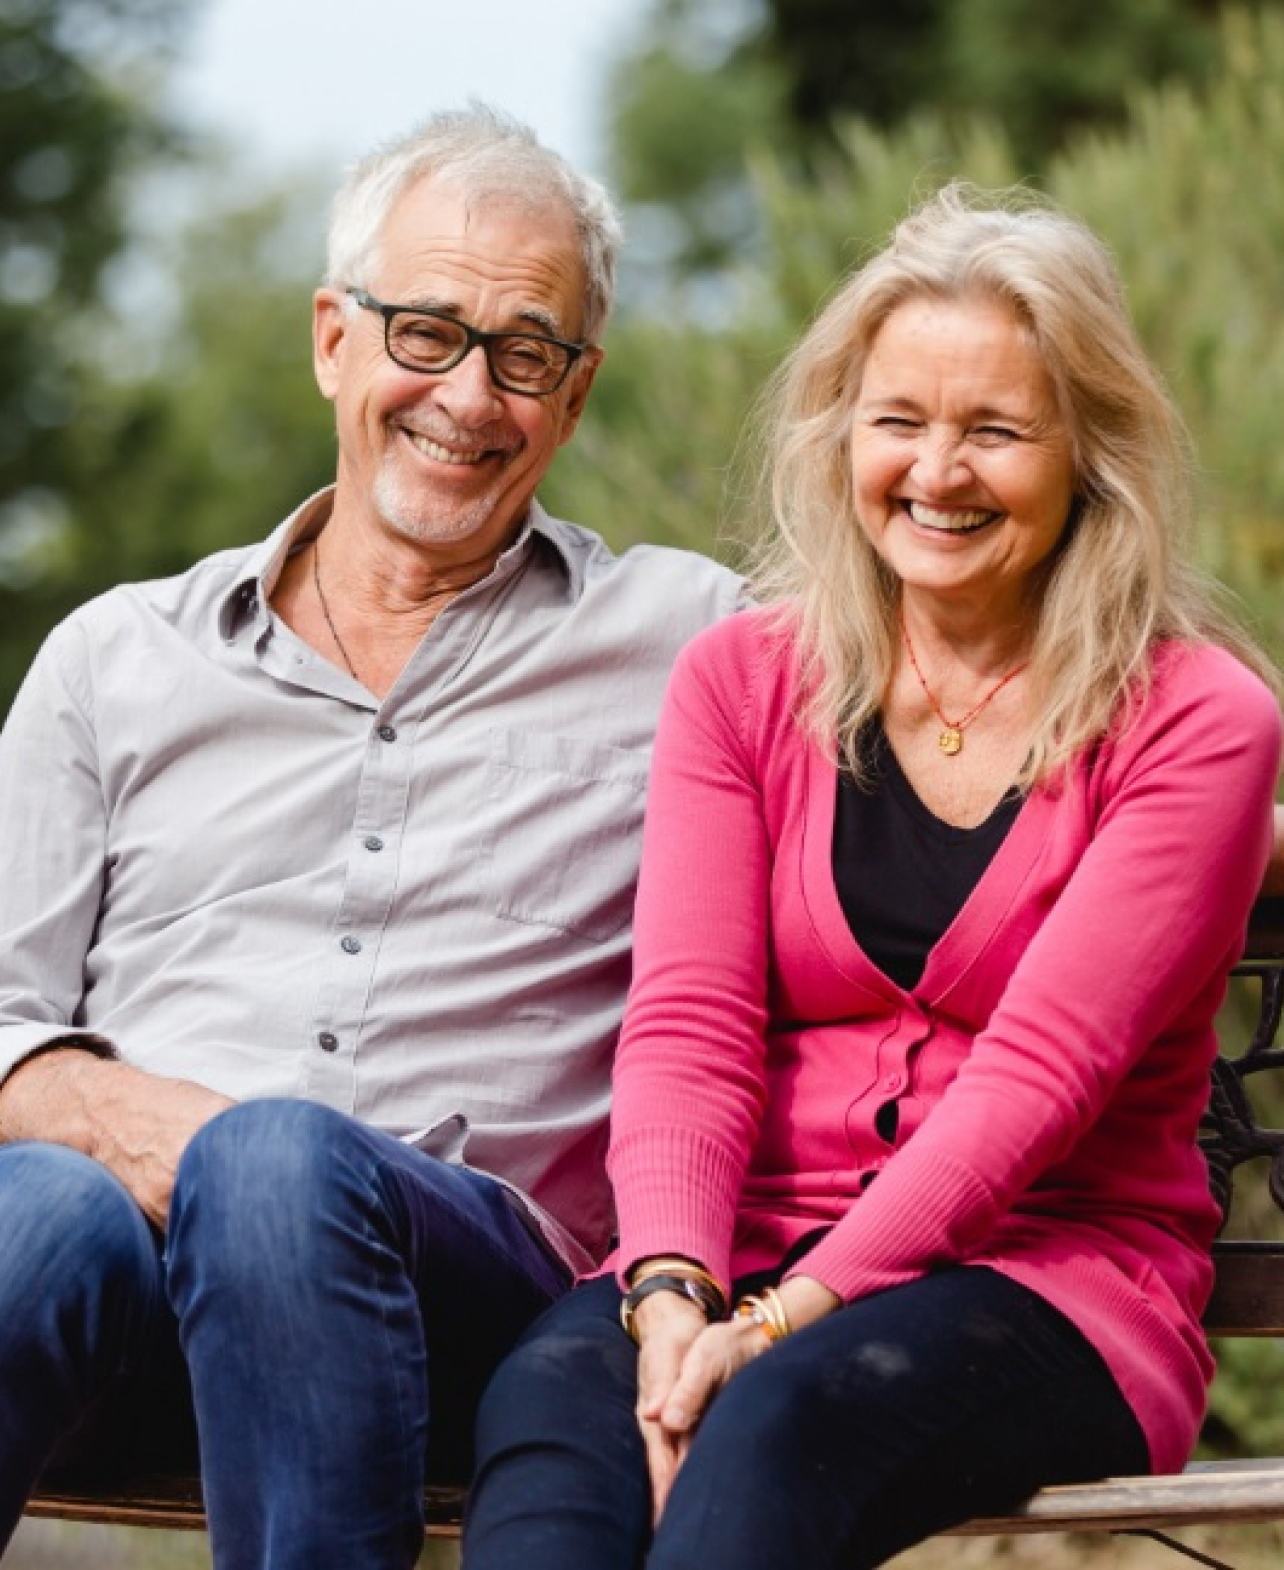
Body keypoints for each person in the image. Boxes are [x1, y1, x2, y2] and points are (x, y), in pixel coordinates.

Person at [462, 182, 1284, 1570]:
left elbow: (1043, 1078)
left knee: (774, 1426)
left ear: (1088, 452)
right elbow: (687, 1027)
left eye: (996, 431)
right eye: (898, 421)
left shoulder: (1196, 719)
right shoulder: (741, 683)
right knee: (551, 1419)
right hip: (739, 1256)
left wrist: (782, 1322)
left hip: (1047, 1279)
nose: (937, 472)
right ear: (843, 431)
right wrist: (672, 1293)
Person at [0, 105, 742, 1569]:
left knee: (277, 1165)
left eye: (525, 351)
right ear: (334, 338)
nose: (468, 394)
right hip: (122, 1307)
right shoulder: (113, 657)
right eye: (426, 331)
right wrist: (154, 1134)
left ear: (575, 396)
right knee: (41, 1216)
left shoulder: (694, 639)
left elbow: (970, 705)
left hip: (470, 1313)